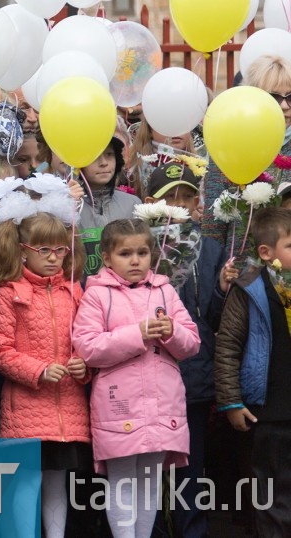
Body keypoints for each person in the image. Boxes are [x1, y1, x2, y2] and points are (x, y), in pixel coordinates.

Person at [73, 219, 201, 538]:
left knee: (148, 482)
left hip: (162, 404)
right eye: (125, 253)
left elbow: (192, 343)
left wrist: (172, 332)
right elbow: (88, 347)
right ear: (106, 258)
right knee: (121, 483)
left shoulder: (165, 291)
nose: (135, 261)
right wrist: (138, 334)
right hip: (118, 405)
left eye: (142, 253)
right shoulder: (97, 295)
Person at [0, 198, 89, 538]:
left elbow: (87, 339)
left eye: (60, 250)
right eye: (43, 249)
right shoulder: (9, 294)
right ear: (22, 250)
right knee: (28, 480)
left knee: (58, 481)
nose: (52, 257)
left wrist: (83, 364)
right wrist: (39, 370)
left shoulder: (74, 291)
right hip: (27, 406)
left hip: (68, 405)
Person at [143, 163, 235, 537]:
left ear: (197, 201)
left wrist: (222, 289)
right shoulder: (138, 247)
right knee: (148, 466)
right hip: (146, 378)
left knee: (190, 467)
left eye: (186, 196)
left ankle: (191, 528)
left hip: (193, 374)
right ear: (152, 203)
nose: (178, 204)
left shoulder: (209, 248)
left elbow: (212, 318)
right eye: (170, 197)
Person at [215, 207, 291, 536]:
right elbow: (228, 346)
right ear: (266, 252)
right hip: (267, 412)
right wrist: (231, 402)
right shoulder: (249, 290)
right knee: (272, 492)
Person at [204, 56, 291, 248]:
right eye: (274, 97)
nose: (284, 106)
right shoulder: (230, 142)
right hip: (240, 265)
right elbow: (213, 224)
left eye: (290, 97)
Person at [78, 137, 141, 276]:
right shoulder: (69, 206)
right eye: (94, 156)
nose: (104, 163)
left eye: (109, 155)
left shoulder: (133, 204)